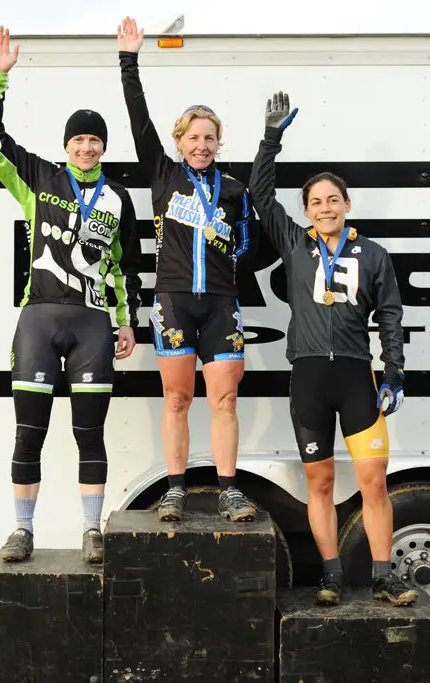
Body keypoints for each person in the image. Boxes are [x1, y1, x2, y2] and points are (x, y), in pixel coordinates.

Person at [0, 25, 142, 564]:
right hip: (39, 321)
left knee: (88, 434)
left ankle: (92, 531)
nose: (87, 147)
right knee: (30, 433)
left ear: (103, 148)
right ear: (67, 144)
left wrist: (126, 320)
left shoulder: (118, 197)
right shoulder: (41, 178)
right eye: (79, 140)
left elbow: (124, 267)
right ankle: (23, 531)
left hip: (94, 323)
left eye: (95, 141)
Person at [248, 91, 418, 607]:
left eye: (332, 200)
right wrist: (270, 138)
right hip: (309, 380)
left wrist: (394, 372)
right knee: (319, 483)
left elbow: (390, 314)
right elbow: (260, 195)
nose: (325, 208)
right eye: (316, 202)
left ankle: (385, 576)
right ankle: (330, 575)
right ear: (306, 211)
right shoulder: (295, 242)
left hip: (355, 377)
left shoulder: (374, 254)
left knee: (373, 481)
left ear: (347, 206)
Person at [116, 16, 257, 523]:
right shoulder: (162, 172)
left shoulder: (235, 191)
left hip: (221, 304)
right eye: (194, 136)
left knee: (225, 400)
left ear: (220, 143)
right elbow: (139, 120)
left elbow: (248, 247)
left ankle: (229, 490)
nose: (201, 144)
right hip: (173, 299)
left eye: (210, 137)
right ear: (179, 142)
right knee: (176, 399)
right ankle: (174, 488)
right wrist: (129, 61)